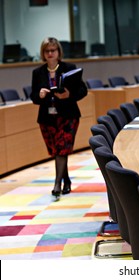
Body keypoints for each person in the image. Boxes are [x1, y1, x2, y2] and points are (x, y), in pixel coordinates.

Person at [30, 37, 87, 197]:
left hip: (68, 116)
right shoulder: (38, 72)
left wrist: (69, 95)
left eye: (53, 50)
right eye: (47, 51)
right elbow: (33, 96)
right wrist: (40, 95)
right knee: (58, 151)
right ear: (43, 53)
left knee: (62, 149)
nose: (50, 53)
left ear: (58, 52)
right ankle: (66, 180)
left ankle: (57, 184)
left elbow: (83, 91)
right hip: (47, 118)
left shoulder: (70, 68)